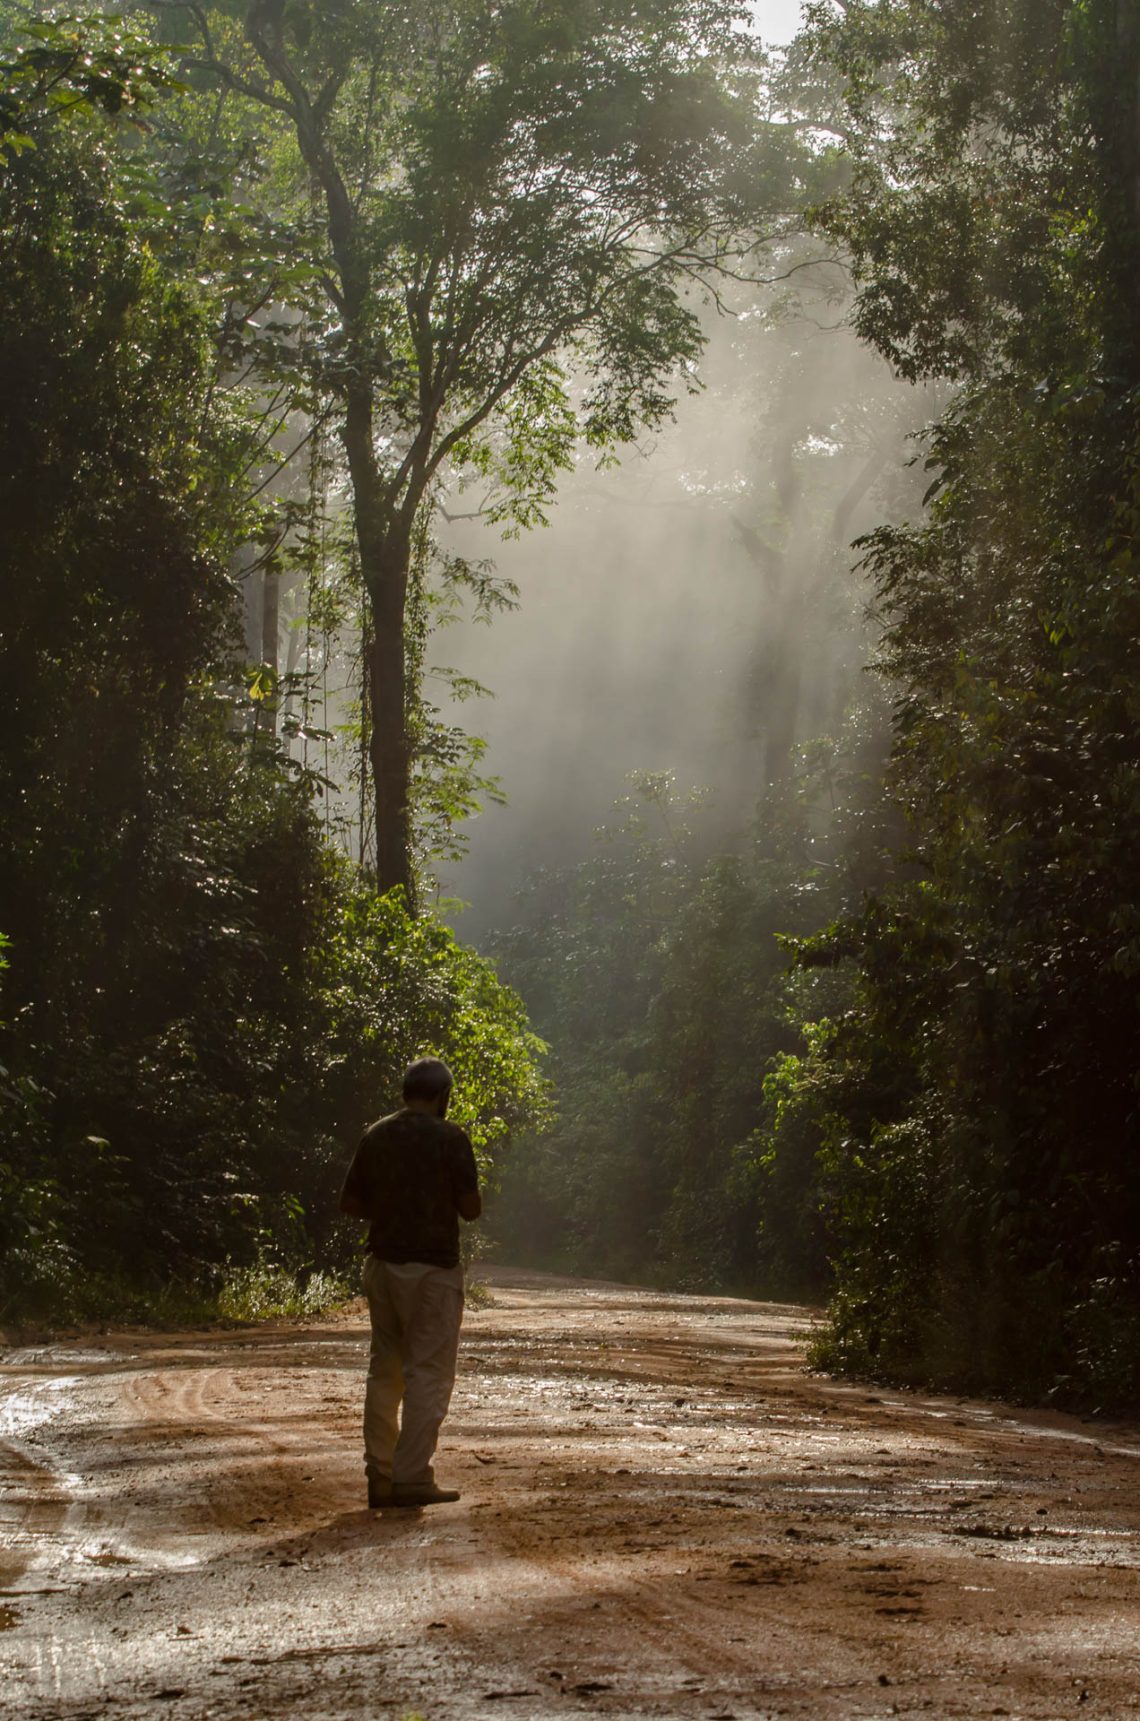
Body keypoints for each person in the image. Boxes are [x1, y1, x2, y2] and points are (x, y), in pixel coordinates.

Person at [339, 1056, 482, 1509]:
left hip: (383, 1266)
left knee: (386, 1369)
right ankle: (412, 1476)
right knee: (429, 1373)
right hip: (434, 1273)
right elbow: (471, 1209)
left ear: (406, 1092)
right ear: (443, 1097)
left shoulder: (376, 1134)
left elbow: (351, 1203)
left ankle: (379, 1476)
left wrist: (392, 1206)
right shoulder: (451, 1138)